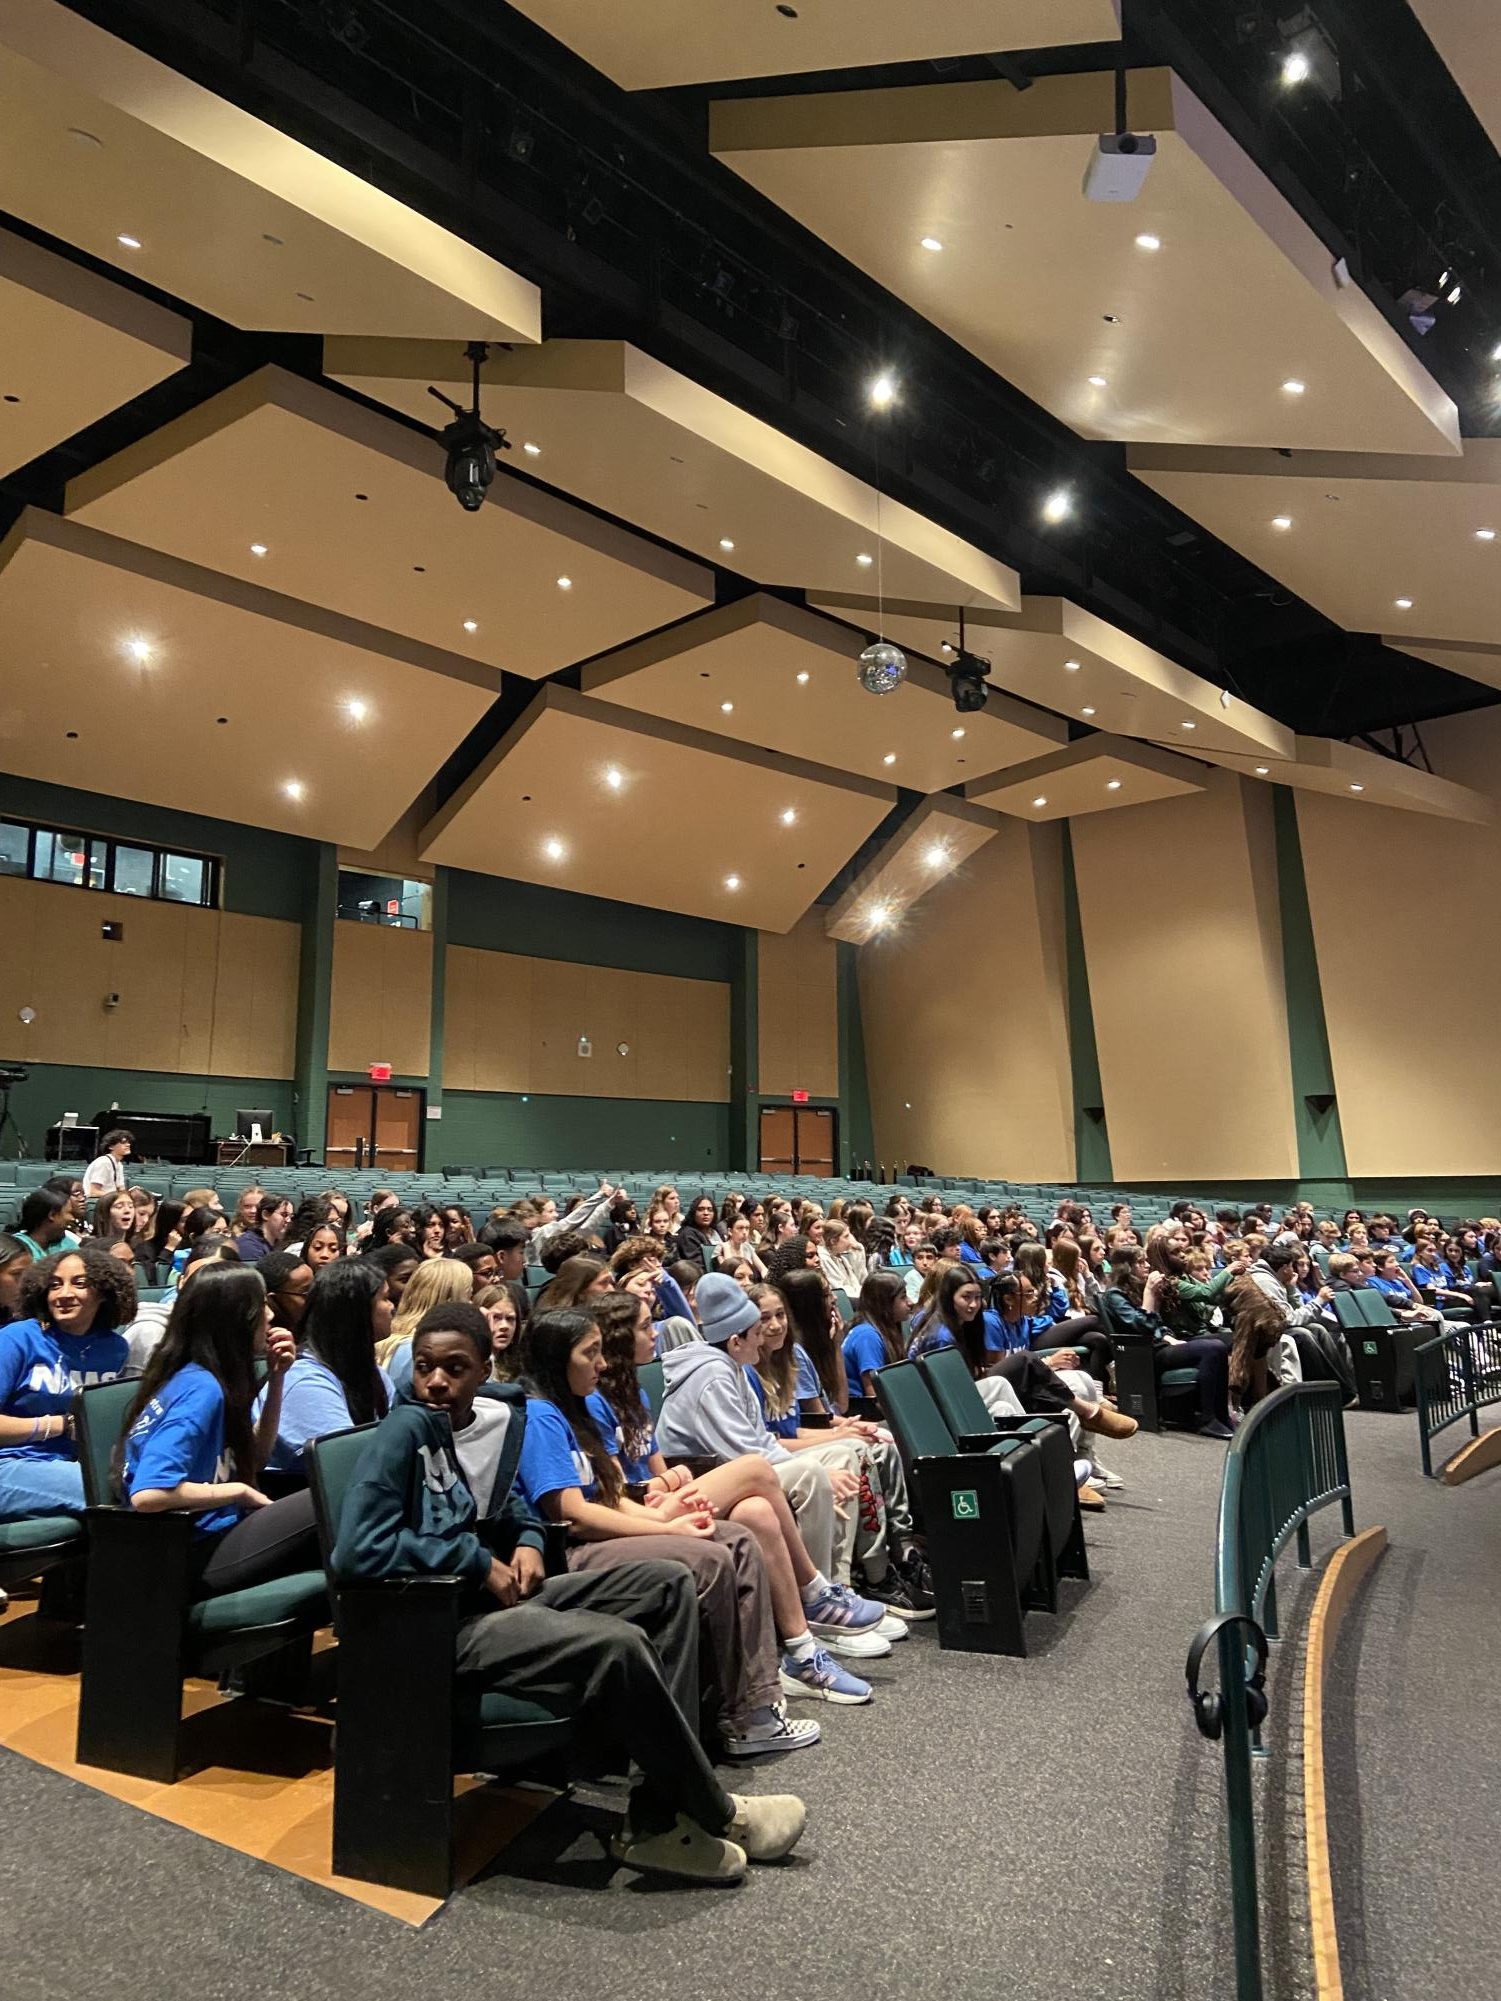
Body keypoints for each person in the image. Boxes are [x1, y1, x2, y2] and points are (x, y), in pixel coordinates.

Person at [334, 1305, 807, 1883]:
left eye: (455, 1368)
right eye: (426, 1367)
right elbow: (356, 1549)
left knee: (668, 1582)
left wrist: (530, 1540)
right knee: (620, 1642)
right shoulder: (406, 1429)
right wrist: (477, 1560)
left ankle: (657, 1813)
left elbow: (499, 1501)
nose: (436, 1381)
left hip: (498, 1598)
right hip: (440, 1623)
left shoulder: (476, 1422)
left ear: (484, 1369)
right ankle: (709, 1811)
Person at [518, 1302, 822, 1756]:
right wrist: (664, 1526)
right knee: (711, 1557)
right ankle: (730, 1717)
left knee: (736, 1538)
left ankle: (755, 1707)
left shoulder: (581, 1407)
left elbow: (611, 1494)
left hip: (604, 1530)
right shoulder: (541, 1415)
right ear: (555, 1359)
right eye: (590, 1354)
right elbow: (573, 1512)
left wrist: (666, 1519)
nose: (602, 1364)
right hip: (572, 1549)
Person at [657, 1274, 889, 1666]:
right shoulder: (712, 1375)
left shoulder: (729, 1365)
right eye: (755, 1330)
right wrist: (808, 1468)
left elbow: (759, 1440)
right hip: (705, 1478)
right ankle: (816, 1607)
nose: (764, 1336)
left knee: (840, 1457)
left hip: (733, 1468)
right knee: (813, 1476)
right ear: (735, 1339)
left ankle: (836, 1589)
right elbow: (743, 1453)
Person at [120, 1264, 321, 1592]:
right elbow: (148, 1494)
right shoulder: (200, 1389)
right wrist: (238, 1491)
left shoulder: (212, 1376)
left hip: (217, 1533)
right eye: (261, 1306)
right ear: (235, 1319)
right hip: (193, 1551)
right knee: (328, 1499)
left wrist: (277, 1376)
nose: (270, 1315)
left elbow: (253, 1460)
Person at [0, 1245, 134, 1517]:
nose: (64, 1294)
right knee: (122, 1493)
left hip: (80, 1463)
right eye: (54, 1285)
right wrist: (61, 1425)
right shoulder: (17, 1339)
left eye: (79, 1284)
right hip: (12, 1463)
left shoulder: (115, 1348)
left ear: (104, 1293)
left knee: (152, 1482)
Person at [257, 1260, 393, 1475]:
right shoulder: (306, 1381)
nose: (392, 1306)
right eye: (384, 1299)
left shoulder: (370, 1371)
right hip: (292, 1500)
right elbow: (349, 1467)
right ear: (357, 1312)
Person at [1100, 1245, 1235, 1437]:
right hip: (1144, 1354)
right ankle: (1208, 1419)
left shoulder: (1136, 1288)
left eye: (1146, 1261)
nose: (1147, 1265)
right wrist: (1149, 1295)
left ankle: (1221, 1417)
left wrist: (1170, 1338)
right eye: (1140, 1262)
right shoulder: (1115, 1295)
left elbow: (1157, 1324)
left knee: (1221, 1345)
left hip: (1161, 1344)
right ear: (1126, 1267)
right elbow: (1143, 1326)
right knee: (1213, 1348)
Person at [377, 1257, 475, 1381]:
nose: (472, 1305)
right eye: (468, 1297)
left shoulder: (390, 1336)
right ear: (449, 1301)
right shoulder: (416, 1350)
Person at [842, 1268, 915, 1397]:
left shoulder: (882, 1330)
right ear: (884, 1303)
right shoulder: (867, 1336)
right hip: (862, 1413)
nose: (910, 1302)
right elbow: (874, 1397)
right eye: (903, 1297)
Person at [11, 1189, 71, 1263]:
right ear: (52, 1215)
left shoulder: (66, 1242)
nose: (72, 1218)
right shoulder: (16, 1248)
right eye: (69, 1213)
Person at [234, 1192, 293, 1266]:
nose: (288, 1220)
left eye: (291, 1216)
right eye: (284, 1215)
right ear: (265, 1215)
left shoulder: (280, 1243)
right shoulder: (248, 1245)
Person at [82, 1129, 134, 1199]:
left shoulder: (119, 1164)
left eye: (128, 1142)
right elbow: (94, 1192)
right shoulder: (104, 1162)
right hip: (96, 1201)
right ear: (111, 1147)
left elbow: (121, 1189)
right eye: (123, 1143)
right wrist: (119, 1196)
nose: (128, 1145)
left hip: (110, 1199)